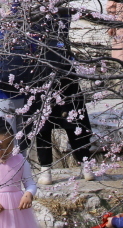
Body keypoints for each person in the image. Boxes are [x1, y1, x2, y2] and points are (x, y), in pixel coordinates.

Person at [25, 22, 94, 184]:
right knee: (74, 120)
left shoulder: (29, 7)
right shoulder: (61, 9)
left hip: (40, 68)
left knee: (43, 124)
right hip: (64, 66)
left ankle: (45, 171)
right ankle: (86, 166)